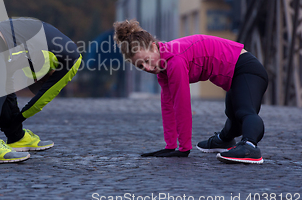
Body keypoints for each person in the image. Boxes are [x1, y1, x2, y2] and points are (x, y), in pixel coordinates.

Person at [113, 19, 268, 164]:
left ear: (154, 46)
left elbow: (182, 106)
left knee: (244, 112)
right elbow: (168, 105)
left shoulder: (175, 61)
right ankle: (224, 140)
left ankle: (250, 147)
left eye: (146, 61)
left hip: (247, 70)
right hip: (234, 76)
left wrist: (184, 149)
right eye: (140, 66)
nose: (147, 68)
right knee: (233, 117)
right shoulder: (163, 66)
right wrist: (170, 146)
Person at [0, 17, 82, 164]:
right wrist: (19, 118)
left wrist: (15, 126)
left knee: (1, 88)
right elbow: (43, 98)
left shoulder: (38, 47)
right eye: (41, 80)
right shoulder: (68, 56)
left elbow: (8, 83)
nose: (41, 83)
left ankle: (16, 138)